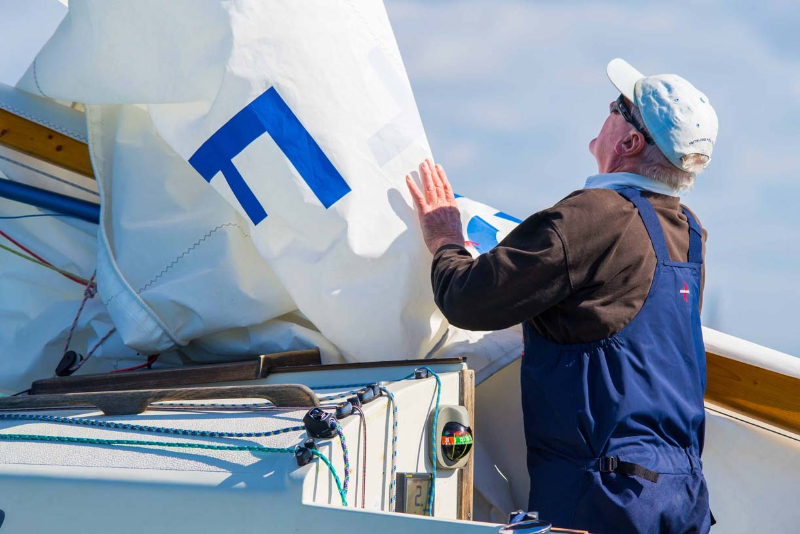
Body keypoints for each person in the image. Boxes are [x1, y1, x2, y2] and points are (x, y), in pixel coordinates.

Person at [406, 58, 718, 533]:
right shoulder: (690, 232)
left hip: (603, 498)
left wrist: (445, 239)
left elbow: (468, 300)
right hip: (681, 495)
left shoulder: (595, 215)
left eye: (618, 107)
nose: (608, 108)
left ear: (630, 143)